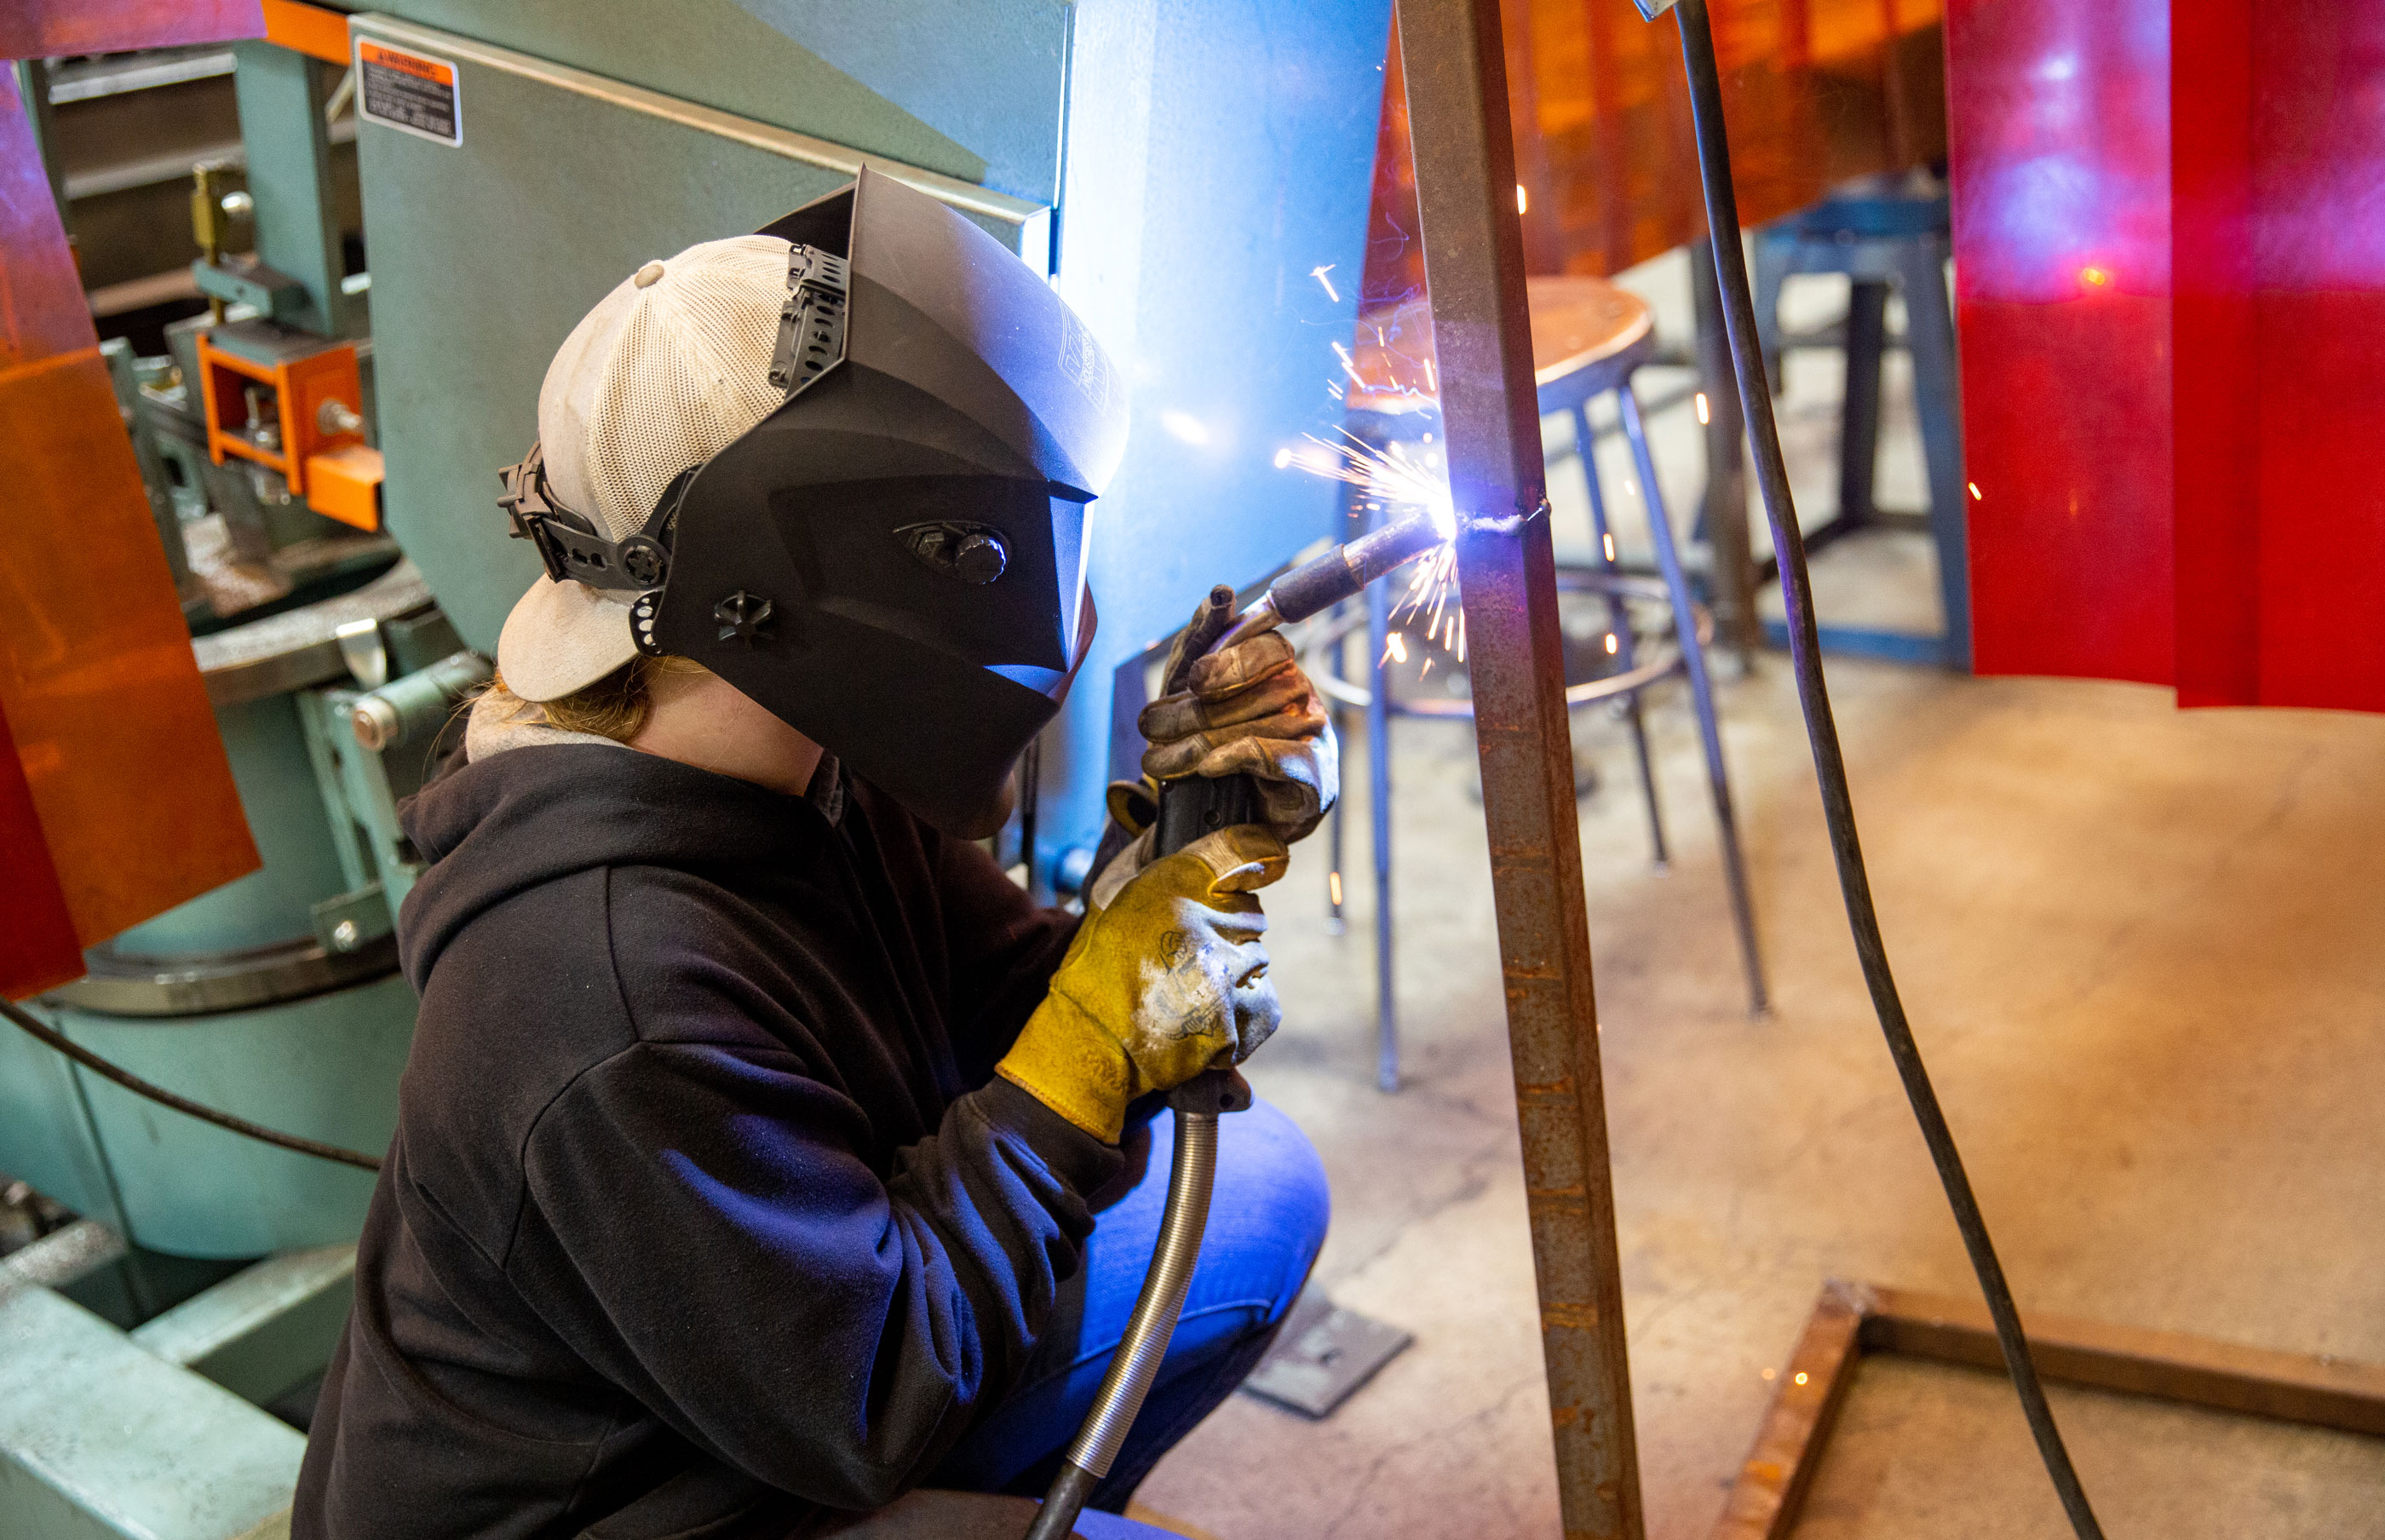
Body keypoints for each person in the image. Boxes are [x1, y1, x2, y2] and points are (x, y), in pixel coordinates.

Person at [293, 170, 1340, 1540]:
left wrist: (1179, 865)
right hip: (653, 1499)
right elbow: (871, 1395)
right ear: (831, 558)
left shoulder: (804, 750)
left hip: (776, 1379)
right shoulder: (600, 998)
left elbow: (1019, 1014)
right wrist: (1093, 1048)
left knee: (1263, 1195)